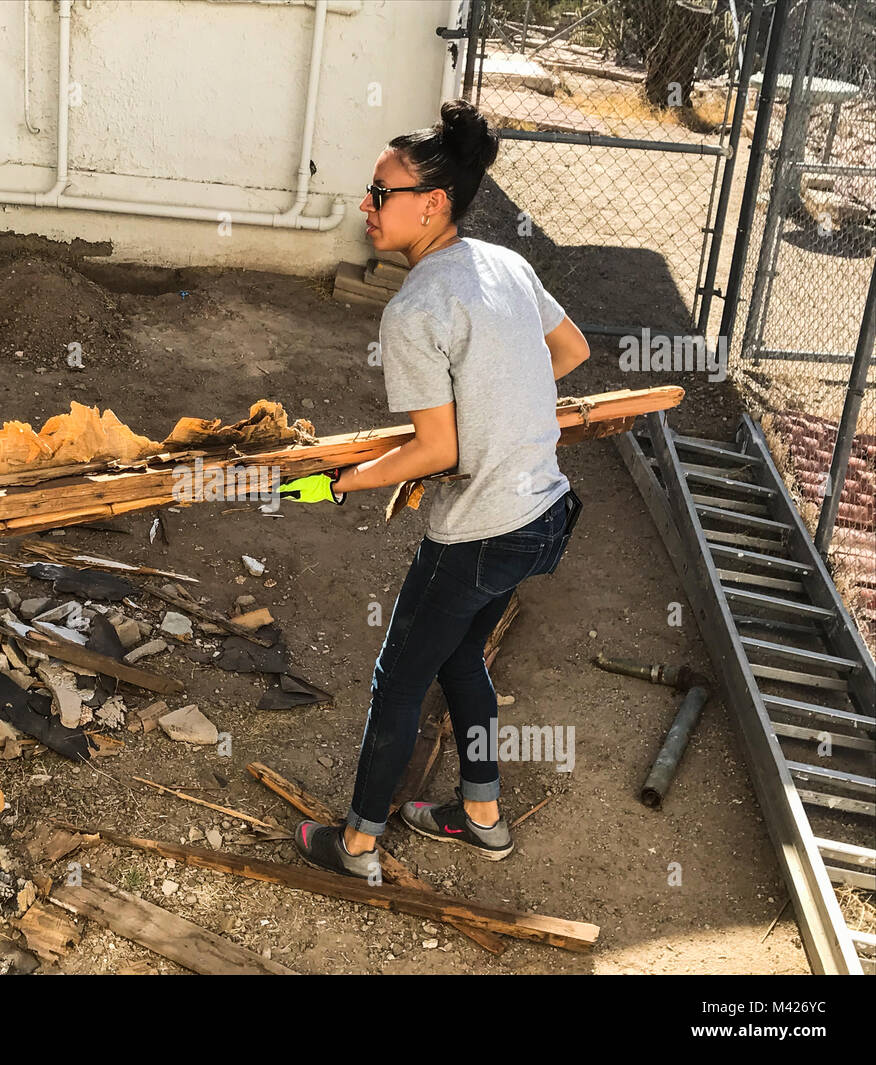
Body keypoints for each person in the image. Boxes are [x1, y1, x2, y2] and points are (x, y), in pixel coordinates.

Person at [279, 100, 590, 879]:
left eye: (381, 192)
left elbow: (437, 449)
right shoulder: (506, 265)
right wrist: (503, 400)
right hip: (544, 512)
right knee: (461, 660)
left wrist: (340, 480)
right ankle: (480, 814)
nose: (367, 205)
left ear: (433, 203)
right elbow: (572, 350)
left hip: (480, 529)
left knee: (399, 678)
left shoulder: (416, 305)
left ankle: (355, 843)